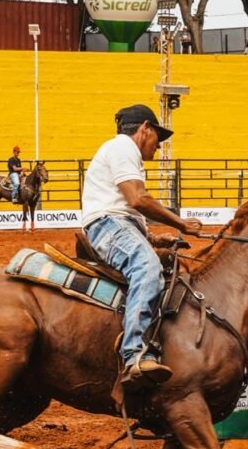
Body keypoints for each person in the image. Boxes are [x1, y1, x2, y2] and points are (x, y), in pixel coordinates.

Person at [82, 104, 203, 388]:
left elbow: (126, 208)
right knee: (147, 267)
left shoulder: (122, 152)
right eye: (157, 140)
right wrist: (181, 223)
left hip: (115, 225)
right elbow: (137, 199)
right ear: (144, 128)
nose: (158, 148)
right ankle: (134, 354)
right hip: (108, 226)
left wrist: (153, 238)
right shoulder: (123, 148)